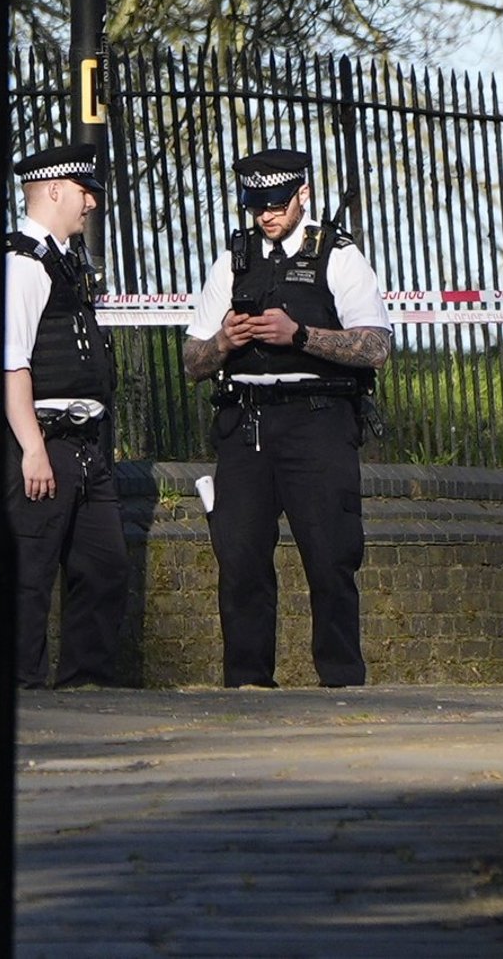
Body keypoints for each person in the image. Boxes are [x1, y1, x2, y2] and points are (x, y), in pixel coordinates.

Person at [182, 147, 391, 689]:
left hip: (317, 421)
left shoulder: (339, 256)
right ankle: (247, 684)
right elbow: (191, 361)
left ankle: (341, 681)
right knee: (240, 560)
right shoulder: (233, 261)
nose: (266, 216)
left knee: (330, 556)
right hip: (244, 423)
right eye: (256, 206)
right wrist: (224, 342)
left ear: (303, 194)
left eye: (276, 204)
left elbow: (375, 347)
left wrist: (299, 336)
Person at [5, 144, 127, 690]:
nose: (92, 203)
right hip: (46, 441)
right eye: (84, 192)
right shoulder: (23, 265)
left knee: (104, 567)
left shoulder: (63, 262)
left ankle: (86, 685)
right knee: (29, 574)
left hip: (84, 447)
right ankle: (22, 688)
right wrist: (32, 447)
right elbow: (12, 364)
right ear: (55, 190)